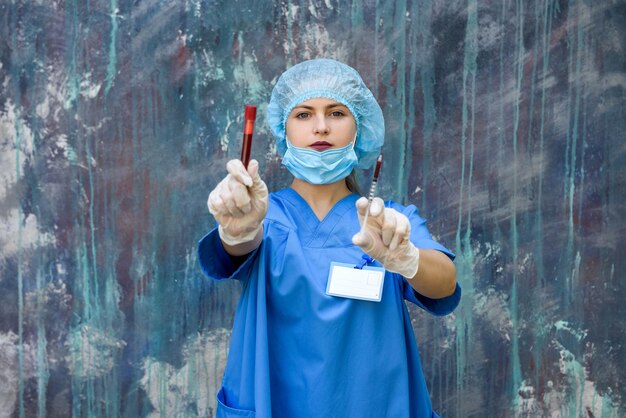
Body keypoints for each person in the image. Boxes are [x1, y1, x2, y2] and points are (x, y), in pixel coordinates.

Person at [198, 58, 460, 418]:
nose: (321, 127)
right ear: (283, 130)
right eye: (304, 115)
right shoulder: (260, 216)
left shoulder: (387, 221)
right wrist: (236, 228)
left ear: (358, 128)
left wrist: (407, 259)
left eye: (336, 113)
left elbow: (445, 284)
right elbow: (236, 248)